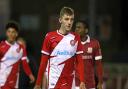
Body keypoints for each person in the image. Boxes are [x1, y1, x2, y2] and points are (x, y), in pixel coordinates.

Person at [34, 7, 86, 89]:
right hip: (53, 82)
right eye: (66, 19)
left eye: (71, 19)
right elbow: (43, 63)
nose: (69, 22)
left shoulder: (76, 38)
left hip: (69, 82)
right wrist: (38, 83)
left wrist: (82, 81)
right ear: (60, 20)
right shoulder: (49, 37)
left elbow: (80, 62)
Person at [0, 21, 35, 89]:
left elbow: (25, 63)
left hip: (14, 82)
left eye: (13, 32)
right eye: (9, 31)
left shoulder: (21, 47)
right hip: (2, 82)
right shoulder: (1, 46)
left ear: (16, 34)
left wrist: (30, 75)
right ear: (6, 33)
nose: (11, 34)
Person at [75, 20, 103, 89]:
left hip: (90, 83)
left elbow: (98, 65)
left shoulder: (95, 43)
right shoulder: (72, 43)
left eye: (79, 28)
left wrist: (100, 82)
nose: (76, 29)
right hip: (75, 83)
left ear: (86, 30)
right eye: (76, 27)